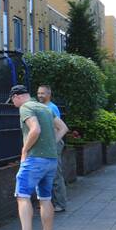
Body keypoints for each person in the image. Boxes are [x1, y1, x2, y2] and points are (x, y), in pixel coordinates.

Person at [5, 85, 68, 230]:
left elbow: (35, 129)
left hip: (34, 160)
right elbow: (63, 128)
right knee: (45, 199)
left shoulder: (26, 107)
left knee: (22, 195)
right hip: (51, 160)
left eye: (12, 100)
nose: (13, 104)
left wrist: (25, 150)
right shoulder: (45, 108)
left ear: (17, 96)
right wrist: (50, 145)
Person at [36, 84, 67, 213]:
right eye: (38, 93)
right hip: (46, 145)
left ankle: (60, 203)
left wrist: (53, 143)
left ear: (49, 94)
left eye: (43, 93)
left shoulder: (51, 108)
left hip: (54, 144)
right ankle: (48, 202)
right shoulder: (41, 107)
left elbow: (58, 128)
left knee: (55, 174)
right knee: (46, 174)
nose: (40, 95)